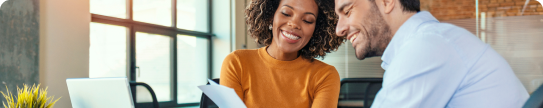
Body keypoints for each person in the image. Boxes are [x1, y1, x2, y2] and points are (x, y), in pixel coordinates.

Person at [334, 0, 529, 107]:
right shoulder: (432, 41)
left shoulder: (426, 46)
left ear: (386, 2)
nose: (338, 29)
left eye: (348, 11)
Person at [220, 0, 344, 107]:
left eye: (307, 20)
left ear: (317, 30)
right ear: (271, 15)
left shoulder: (325, 76)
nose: (294, 24)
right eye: (286, 13)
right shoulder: (237, 63)